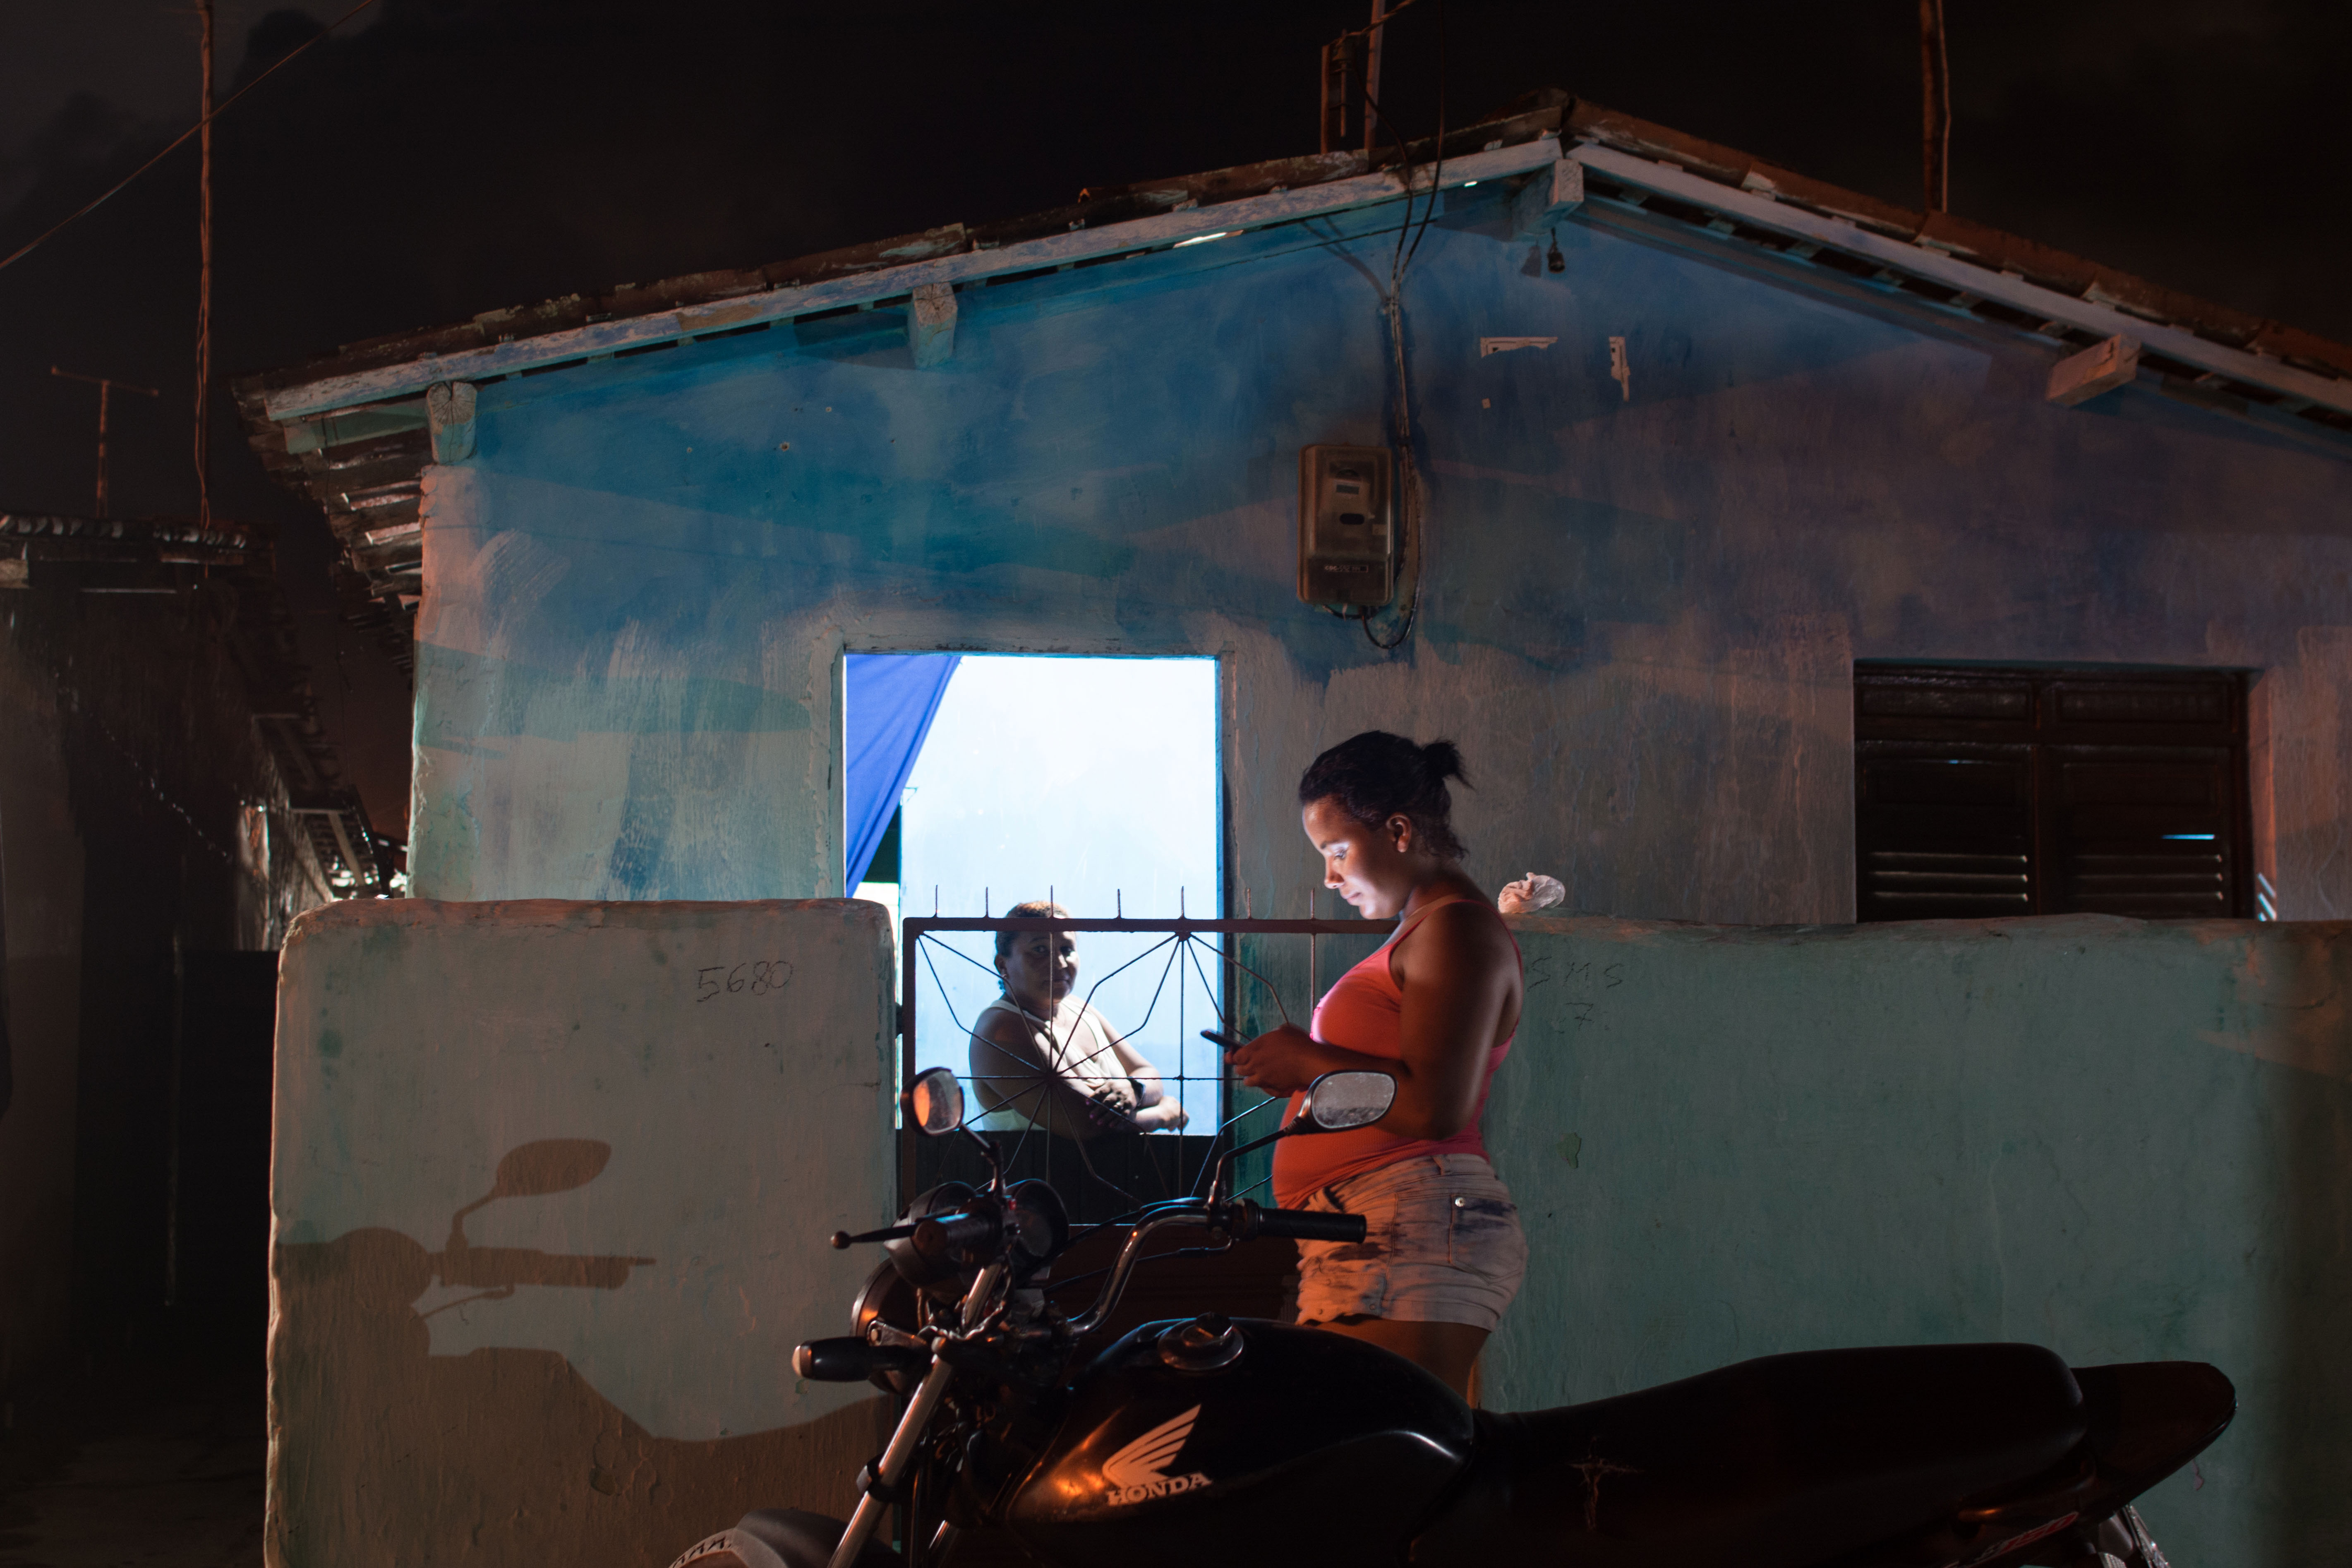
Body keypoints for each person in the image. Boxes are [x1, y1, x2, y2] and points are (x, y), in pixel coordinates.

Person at [1225, 733, 1526, 1401]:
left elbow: (1436, 1106)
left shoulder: (1456, 929)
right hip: (1380, 1229)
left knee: (1368, 1448)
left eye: (1337, 851)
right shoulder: (1426, 929)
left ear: (1398, 831)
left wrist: (1308, 1060)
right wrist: (1304, 1069)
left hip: (1409, 1225)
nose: (1330, 878)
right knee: (1360, 1445)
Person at [969, 901, 1190, 1139]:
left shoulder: (1080, 1010)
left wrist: (1133, 1089)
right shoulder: (1001, 1029)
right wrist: (1163, 1114)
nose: (1059, 963)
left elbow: (1147, 1072)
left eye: (1067, 949)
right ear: (1003, 965)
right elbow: (1088, 1125)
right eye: (1040, 950)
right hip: (1041, 1166)